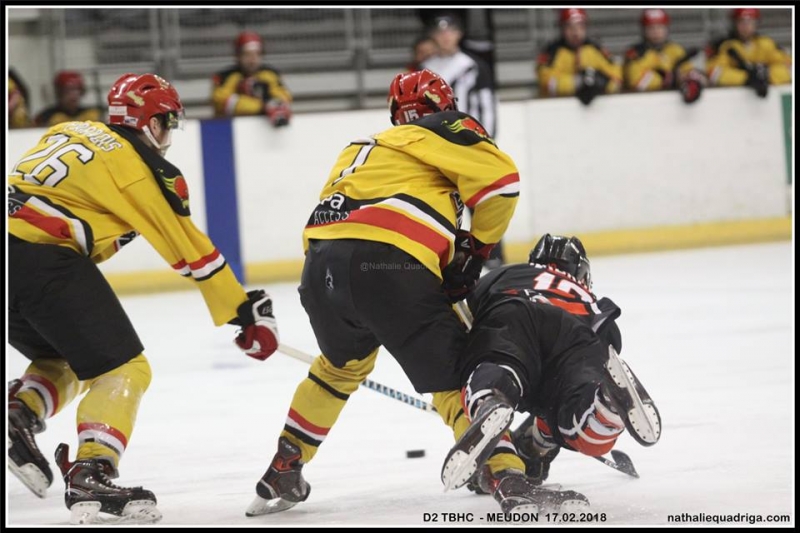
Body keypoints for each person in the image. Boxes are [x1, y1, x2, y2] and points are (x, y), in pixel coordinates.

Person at [245, 69, 521, 517]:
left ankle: (286, 463)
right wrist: (475, 249)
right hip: (389, 264)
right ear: (443, 107)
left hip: (321, 269)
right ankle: (504, 470)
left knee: (339, 368)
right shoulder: (447, 127)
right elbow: (503, 184)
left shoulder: (363, 147)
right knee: (455, 374)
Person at [8, 73, 280, 525]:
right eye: (168, 122)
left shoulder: (67, 131)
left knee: (64, 359)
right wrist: (242, 310)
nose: (169, 134)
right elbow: (185, 245)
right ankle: (92, 470)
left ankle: (18, 415)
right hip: (42, 259)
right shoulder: (140, 168)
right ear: (151, 123)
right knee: (125, 368)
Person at [440, 234, 662, 512]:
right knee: (572, 407)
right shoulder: (586, 294)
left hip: (515, 312)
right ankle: (604, 408)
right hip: (578, 333)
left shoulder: (507, 273)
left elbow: (465, 313)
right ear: (582, 273)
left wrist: (469, 373)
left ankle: (491, 400)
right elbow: (608, 342)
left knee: (499, 367)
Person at [421, 15, 506, 269]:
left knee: (481, 203)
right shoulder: (426, 68)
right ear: (433, 36)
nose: (446, 36)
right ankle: (443, 258)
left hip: (469, 147)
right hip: (436, 149)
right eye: (440, 32)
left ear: (459, 35)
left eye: (451, 31)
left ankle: (492, 257)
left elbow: (488, 106)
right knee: (440, 203)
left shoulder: (473, 65)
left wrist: (485, 141)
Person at [536, 8, 622, 105]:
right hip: (558, 107)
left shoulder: (594, 50)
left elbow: (617, 78)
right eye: (570, 27)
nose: (575, 32)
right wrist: (578, 81)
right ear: (562, 29)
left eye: (580, 26)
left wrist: (601, 81)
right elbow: (546, 82)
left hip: (596, 109)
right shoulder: (552, 52)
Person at [624, 9, 707, 104]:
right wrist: (668, 79)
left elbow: (687, 71)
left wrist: (691, 80)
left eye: (660, 27)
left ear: (667, 28)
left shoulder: (675, 49)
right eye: (651, 28)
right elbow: (636, 81)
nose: (656, 32)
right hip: (642, 104)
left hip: (671, 107)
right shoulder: (636, 53)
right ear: (643, 30)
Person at [705, 8, 792, 98]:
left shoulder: (766, 44)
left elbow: (788, 67)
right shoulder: (725, 46)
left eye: (750, 22)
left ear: (756, 24)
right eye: (741, 22)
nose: (746, 26)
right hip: (731, 100)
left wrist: (766, 76)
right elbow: (714, 73)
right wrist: (746, 79)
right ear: (734, 23)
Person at [212, 31, 293, 126]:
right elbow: (221, 102)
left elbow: (284, 97)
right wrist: (262, 107)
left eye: (257, 54)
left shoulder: (270, 74)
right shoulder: (226, 76)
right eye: (247, 54)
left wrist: (274, 103)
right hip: (230, 129)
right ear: (238, 56)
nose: (252, 59)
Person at [35, 71, 103, 127]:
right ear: (59, 92)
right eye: (68, 90)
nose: (74, 95)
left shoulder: (91, 113)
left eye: (77, 90)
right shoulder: (46, 117)